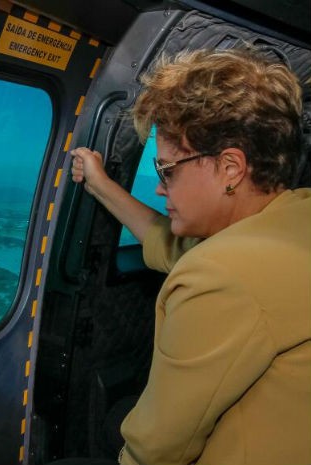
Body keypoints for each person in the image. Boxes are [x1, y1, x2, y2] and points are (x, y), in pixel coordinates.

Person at [68, 48, 311, 465]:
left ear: (231, 168)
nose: (161, 188)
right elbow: (174, 245)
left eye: (169, 171)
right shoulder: (294, 216)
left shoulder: (222, 276)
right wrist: (101, 185)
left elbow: (156, 450)